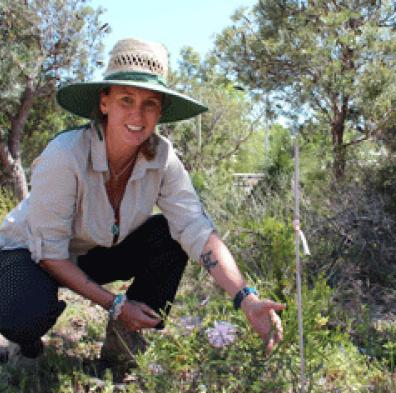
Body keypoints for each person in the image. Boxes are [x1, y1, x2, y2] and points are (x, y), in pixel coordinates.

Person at [0, 38, 285, 374]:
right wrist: (116, 303)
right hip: (31, 253)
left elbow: (196, 228)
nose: (137, 114)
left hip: (92, 252)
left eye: (150, 103)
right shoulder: (66, 155)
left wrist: (246, 297)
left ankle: (123, 343)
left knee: (170, 236)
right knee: (23, 313)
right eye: (126, 99)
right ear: (104, 103)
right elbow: (50, 253)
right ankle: (27, 343)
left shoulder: (162, 158)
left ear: (160, 110)